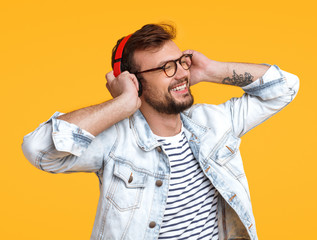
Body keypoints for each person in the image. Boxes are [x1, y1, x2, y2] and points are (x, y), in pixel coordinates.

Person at [22, 23, 299, 240]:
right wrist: (123, 104)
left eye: (181, 62)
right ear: (134, 82)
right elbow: (39, 150)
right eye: (167, 67)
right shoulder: (116, 143)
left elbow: (285, 87)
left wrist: (210, 71)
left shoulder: (213, 123)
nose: (181, 73)